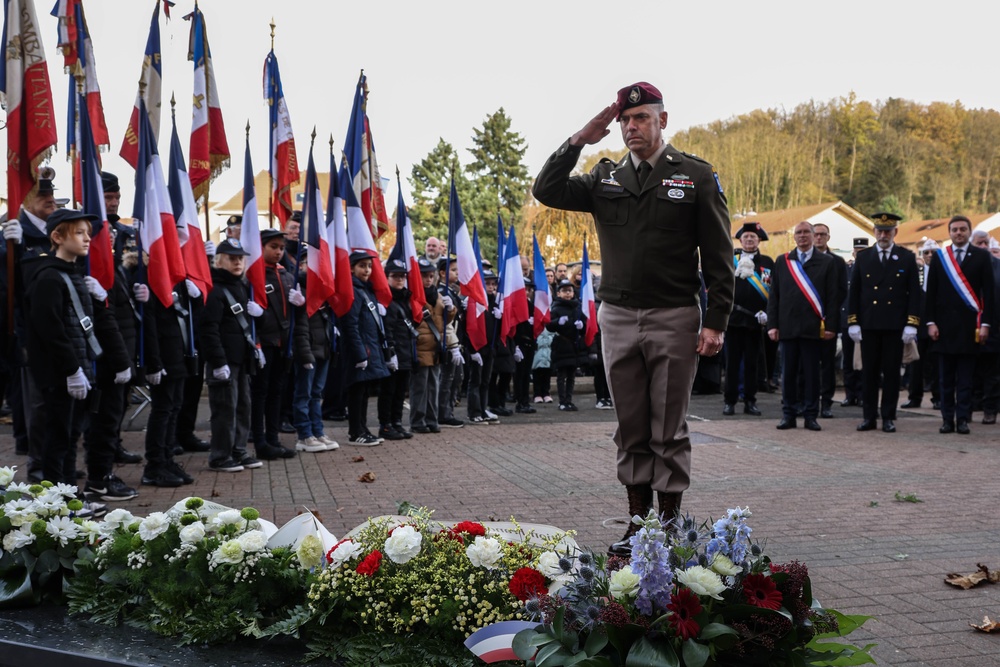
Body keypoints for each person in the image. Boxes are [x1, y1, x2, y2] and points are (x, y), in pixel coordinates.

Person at [533, 81, 734, 555]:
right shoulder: (605, 180)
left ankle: (667, 522)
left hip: (674, 314)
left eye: (640, 118)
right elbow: (546, 190)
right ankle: (638, 523)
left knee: (669, 423)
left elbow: (720, 254)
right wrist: (581, 138)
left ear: (663, 120)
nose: (630, 127)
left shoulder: (695, 176)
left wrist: (716, 320)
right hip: (619, 316)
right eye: (624, 120)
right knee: (630, 425)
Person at [24, 209, 129, 493]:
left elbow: (82, 324)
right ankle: (59, 499)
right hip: (60, 373)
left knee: (71, 435)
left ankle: (71, 495)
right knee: (59, 438)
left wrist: (99, 299)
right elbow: (51, 329)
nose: (86, 239)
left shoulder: (71, 274)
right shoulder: (48, 277)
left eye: (88, 233)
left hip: (78, 368)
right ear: (57, 237)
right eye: (79, 233)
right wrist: (71, 369)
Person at [847, 213, 920, 433]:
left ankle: (888, 416)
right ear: (874, 232)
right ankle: (869, 417)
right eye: (879, 231)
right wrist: (853, 321)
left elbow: (914, 294)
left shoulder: (906, 257)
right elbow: (855, 292)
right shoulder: (864, 257)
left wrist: (912, 323)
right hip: (869, 324)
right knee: (869, 373)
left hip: (894, 325)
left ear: (895, 232)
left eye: (887, 231)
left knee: (891, 373)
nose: (883, 235)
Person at [198, 238, 264, 472]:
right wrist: (217, 362)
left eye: (240, 258)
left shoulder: (240, 285)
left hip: (241, 359)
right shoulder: (215, 289)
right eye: (232, 258)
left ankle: (238, 450)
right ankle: (220, 456)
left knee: (243, 406)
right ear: (219, 261)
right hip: (224, 361)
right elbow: (209, 329)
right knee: (225, 409)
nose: (238, 262)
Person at [767, 221, 839, 432]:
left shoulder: (826, 262)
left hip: (813, 328)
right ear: (794, 237)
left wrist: (831, 326)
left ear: (814, 235)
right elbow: (774, 296)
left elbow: (833, 297)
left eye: (807, 232)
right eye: (799, 232)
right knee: (788, 376)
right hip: (787, 328)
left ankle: (810, 415)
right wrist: (772, 325)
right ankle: (788, 414)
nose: (803, 236)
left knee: (811, 375)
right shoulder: (783, 261)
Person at [925, 215, 994, 434]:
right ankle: (947, 419)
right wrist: (931, 322)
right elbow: (931, 294)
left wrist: (986, 324)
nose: (958, 233)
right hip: (944, 328)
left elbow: (989, 295)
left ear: (969, 232)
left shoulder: (982, 256)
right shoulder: (940, 257)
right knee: (945, 379)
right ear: (949, 232)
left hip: (970, 327)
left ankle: (962, 419)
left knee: (966, 379)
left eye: (963, 229)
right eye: (954, 230)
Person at [250, 228, 300, 459]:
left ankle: (273, 438)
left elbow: (289, 312)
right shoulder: (254, 274)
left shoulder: (287, 275)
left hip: (283, 343)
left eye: (281, 248)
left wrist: (299, 303)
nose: (278, 252)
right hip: (265, 343)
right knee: (261, 392)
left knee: (276, 392)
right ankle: (259, 440)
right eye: (273, 247)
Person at [723, 222, 773, 417]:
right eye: (746, 237)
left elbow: (773, 291)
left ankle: (750, 401)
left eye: (753, 237)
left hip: (755, 320)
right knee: (732, 364)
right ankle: (730, 401)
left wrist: (767, 312)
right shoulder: (730, 259)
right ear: (741, 240)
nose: (749, 240)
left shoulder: (767, 263)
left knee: (753, 365)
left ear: (759, 240)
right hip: (734, 319)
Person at [342, 251, 390, 445]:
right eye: (362, 266)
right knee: (356, 391)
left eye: (369, 266)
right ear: (352, 268)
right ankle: (355, 431)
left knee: (364, 392)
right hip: (359, 350)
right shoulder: (353, 290)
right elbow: (350, 324)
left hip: (369, 347)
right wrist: (360, 353)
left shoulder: (366, 290)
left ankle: (363, 428)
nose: (367, 270)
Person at [411, 258, 454, 433]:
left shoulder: (438, 295)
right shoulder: (414, 296)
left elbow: (444, 321)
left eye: (430, 276)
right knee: (420, 388)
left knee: (433, 386)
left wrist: (450, 310)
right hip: (421, 347)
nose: (428, 280)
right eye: (424, 276)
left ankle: (431, 419)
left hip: (435, 348)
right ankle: (417, 421)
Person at [811, 223, 848, 418]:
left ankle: (826, 402)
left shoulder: (837, 261)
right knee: (806, 364)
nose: (818, 238)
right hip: (807, 320)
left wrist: (830, 316)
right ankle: (807, 401)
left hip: (828, 319)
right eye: (815, 234)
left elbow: (841, 290)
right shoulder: (801, 260)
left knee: (827, 365)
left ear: (828, 237)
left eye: (822, 235)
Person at [378, 259, 416, 441]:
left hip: (406, 352)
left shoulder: (406, 299)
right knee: (389, 391)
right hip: (394, 354)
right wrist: (390, 353)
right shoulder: (386, 301)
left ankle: (397, 421)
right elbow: (388, 330)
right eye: (395, 276)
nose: (399, 280)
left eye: (402, 276)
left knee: (401, 391)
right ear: (387, 278)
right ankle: (385, 425)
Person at [901, 240, 940, 410]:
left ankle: (938, 397)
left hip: (938, 326)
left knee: (938, 364)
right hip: (918, 324)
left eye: (933, 252)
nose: (929, 255)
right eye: (926, 252)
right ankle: (914, 397)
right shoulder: (917, 272)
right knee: (916, 364)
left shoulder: (945, 272)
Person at [970, 230, 1000, 424]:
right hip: (968, 328)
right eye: (978, 243)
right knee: (970, 371)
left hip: (994, 328)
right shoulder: (964, 267)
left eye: (985, 243)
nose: (982, 247)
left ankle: (990, 409)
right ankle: (972, 405)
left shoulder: (997, 266)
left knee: (992, 373)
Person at [547, 279, 587, 411]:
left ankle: (569, 400)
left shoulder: (577, 307)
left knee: (571, 375)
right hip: (561, 345)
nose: (568, 294)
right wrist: (558, 322)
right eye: (564, 291)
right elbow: (549, 325)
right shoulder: (556, 307)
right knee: (561, 375)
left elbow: (585, 325)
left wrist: (582, 326)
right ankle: (562, 401)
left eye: (570, 291)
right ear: (558, 293)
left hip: (574, 345)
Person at [436, 257, 466, 428]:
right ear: (442, 273)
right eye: (453, 270)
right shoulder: (442, 292)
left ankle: (449, 410)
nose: (457, 273)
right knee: (447, 378)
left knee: (456, 377)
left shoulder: (453, 291)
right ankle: (444, 414)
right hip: (448, 341)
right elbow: (446, 322)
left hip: (457, 341)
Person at [841, 238, 869, 408]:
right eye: (857, 251)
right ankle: (850, 394)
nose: (859, 254)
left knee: (865, 361)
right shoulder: (847, 269)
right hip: (847, 320)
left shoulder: (871, 269)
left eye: (863, 251)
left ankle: (863, 394)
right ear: (853, 252)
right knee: (848, 360)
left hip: (866, 321)